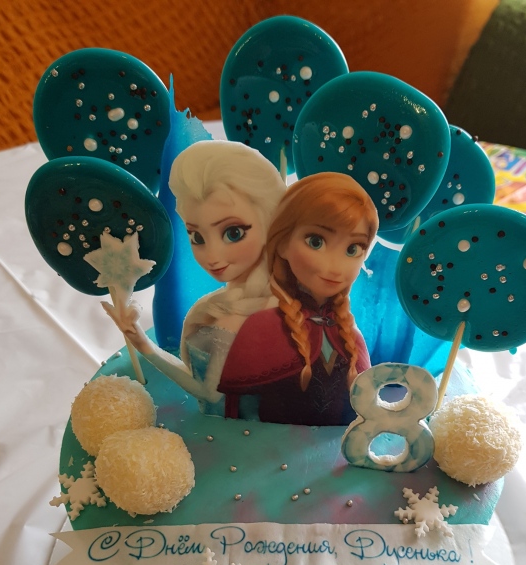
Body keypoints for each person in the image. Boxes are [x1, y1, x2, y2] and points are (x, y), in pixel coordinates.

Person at [103, 139, 286, 415]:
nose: (212, 256)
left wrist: (145, 345)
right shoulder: (214, 312)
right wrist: (140, 341)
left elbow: (209, 395)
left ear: (271, 220)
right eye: (197, 236)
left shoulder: (287, 310)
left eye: (233, 233)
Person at [218, 172, 379, 426]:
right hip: (270, 449)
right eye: (316, 241)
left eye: (352, 249)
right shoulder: (261, 328)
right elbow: (242, 414)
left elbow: (364, 413)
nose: (335, 266)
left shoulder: (351, 336)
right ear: (282, 243)